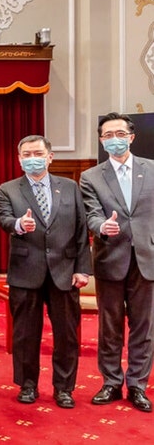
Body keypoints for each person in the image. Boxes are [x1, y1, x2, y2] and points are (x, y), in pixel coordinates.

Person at [0, 135, 91, 409]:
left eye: (37, 153)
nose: (32, 158)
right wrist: (18, 224)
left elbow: (81, 230)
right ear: (19, 159)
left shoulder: (70, 187)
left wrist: (83, 269)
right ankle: (27, 385)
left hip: (65, 271)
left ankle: (64, 388)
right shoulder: (9, 189)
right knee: (25, 333)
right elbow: (3, 219)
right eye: (26, 154)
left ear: (50, 156)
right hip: (26, 270)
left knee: (66, 334)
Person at [80, 112, 154, 412]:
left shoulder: (151, 170)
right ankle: (111, 381)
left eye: (119, 133)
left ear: (131, 137)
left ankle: (137, 384)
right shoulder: (91, 176)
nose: (114, 139)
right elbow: (91, 212)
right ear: (101, 140)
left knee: (143, 327)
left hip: (147, 258)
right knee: (109, 327)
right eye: (108, 135)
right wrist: (101, 227)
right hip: (110, 257)